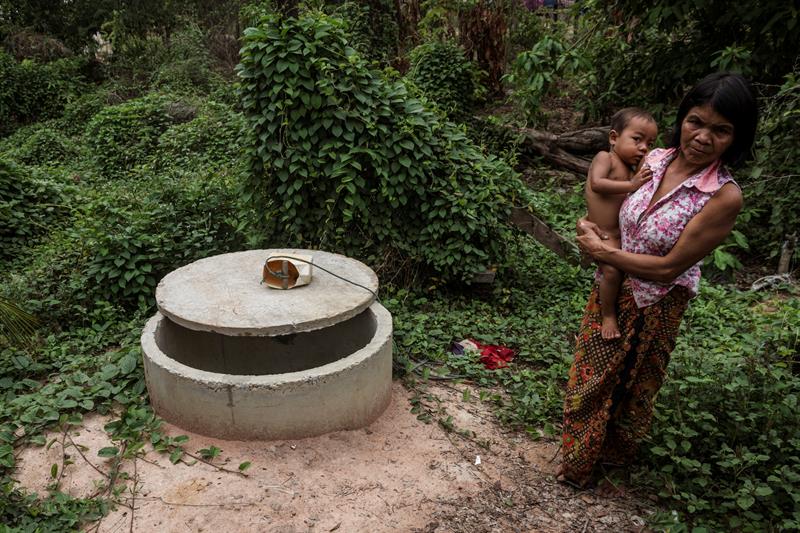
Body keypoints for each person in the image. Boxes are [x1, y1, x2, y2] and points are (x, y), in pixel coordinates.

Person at [558, 72, 759, 487]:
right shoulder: (652, 160)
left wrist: (604, 253)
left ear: (736, 138)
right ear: (682, 117)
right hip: (612, 285)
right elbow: (606, 198)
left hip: (659, 301)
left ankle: (614, 461)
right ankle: (578, 465)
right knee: (591, 374)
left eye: (721, 131)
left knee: (635, 385)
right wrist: (591, 227)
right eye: (696, 122)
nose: (703, 137)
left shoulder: (722, 195)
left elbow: (669, 267)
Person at [584, 108, 657, 340]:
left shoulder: (630, 168)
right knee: (613, 272)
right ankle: (608, 315)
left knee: (627, 270)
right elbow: (597, 183)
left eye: (649, 143)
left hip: (619, 235)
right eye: (637, 139)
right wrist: (631, 185)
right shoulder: (605, 158)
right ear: (614, 138)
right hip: (602, 233)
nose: (643, 147)